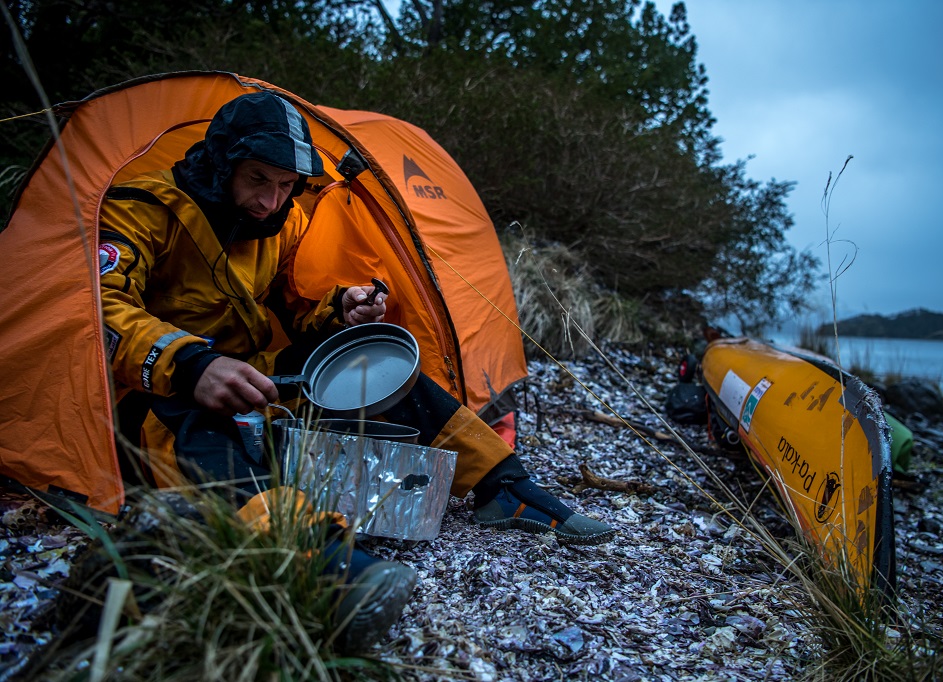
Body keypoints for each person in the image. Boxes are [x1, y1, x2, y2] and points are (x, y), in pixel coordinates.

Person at [98, 91, 614, 651]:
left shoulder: (280, 223)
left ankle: (504, 487)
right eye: (257, 180)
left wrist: (339, 310)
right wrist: (190, 362)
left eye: (286, 185)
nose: (271, 201)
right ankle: (323, 564)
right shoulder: (144, 209)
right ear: (222, 161)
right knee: (196, 426)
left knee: (367, 360)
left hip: (248, 373)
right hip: (152, 390)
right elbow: (96, 307)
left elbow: (291, 307)